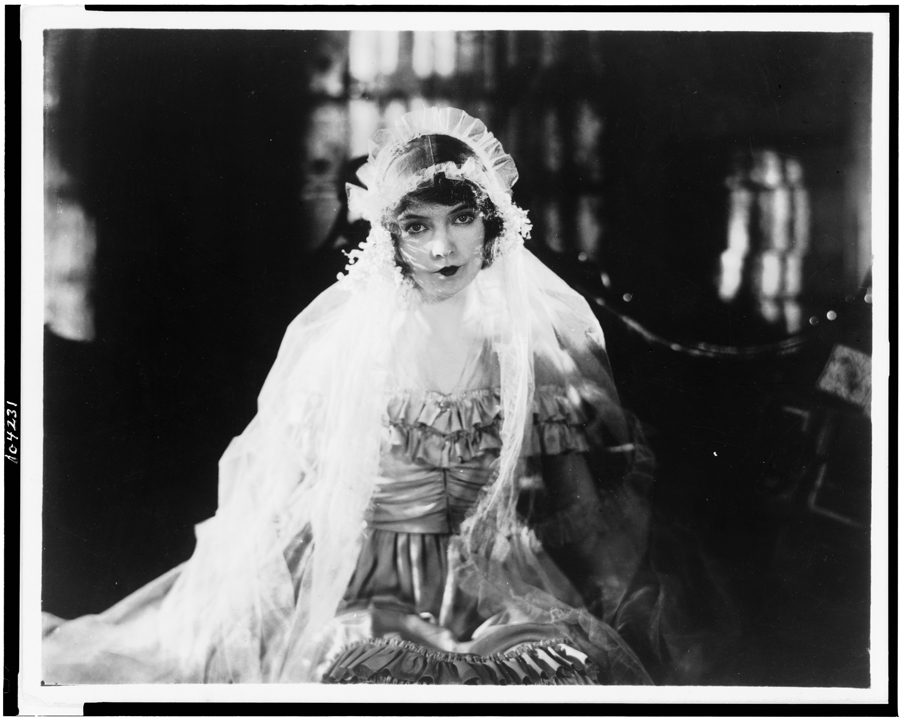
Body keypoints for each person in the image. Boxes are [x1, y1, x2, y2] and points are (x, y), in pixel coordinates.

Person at [42, 107, 722, 685]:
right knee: (371, 669)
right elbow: (299, 504)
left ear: (493, 227)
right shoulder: (356, 351)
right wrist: (270, 600)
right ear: (390, 240)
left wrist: (605, 596)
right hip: (375, 587)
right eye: (417, 226)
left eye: (461, 218)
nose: (442, 247)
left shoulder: (527, 353)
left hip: (501, 580)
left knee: (558, 666)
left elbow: (576, 508)